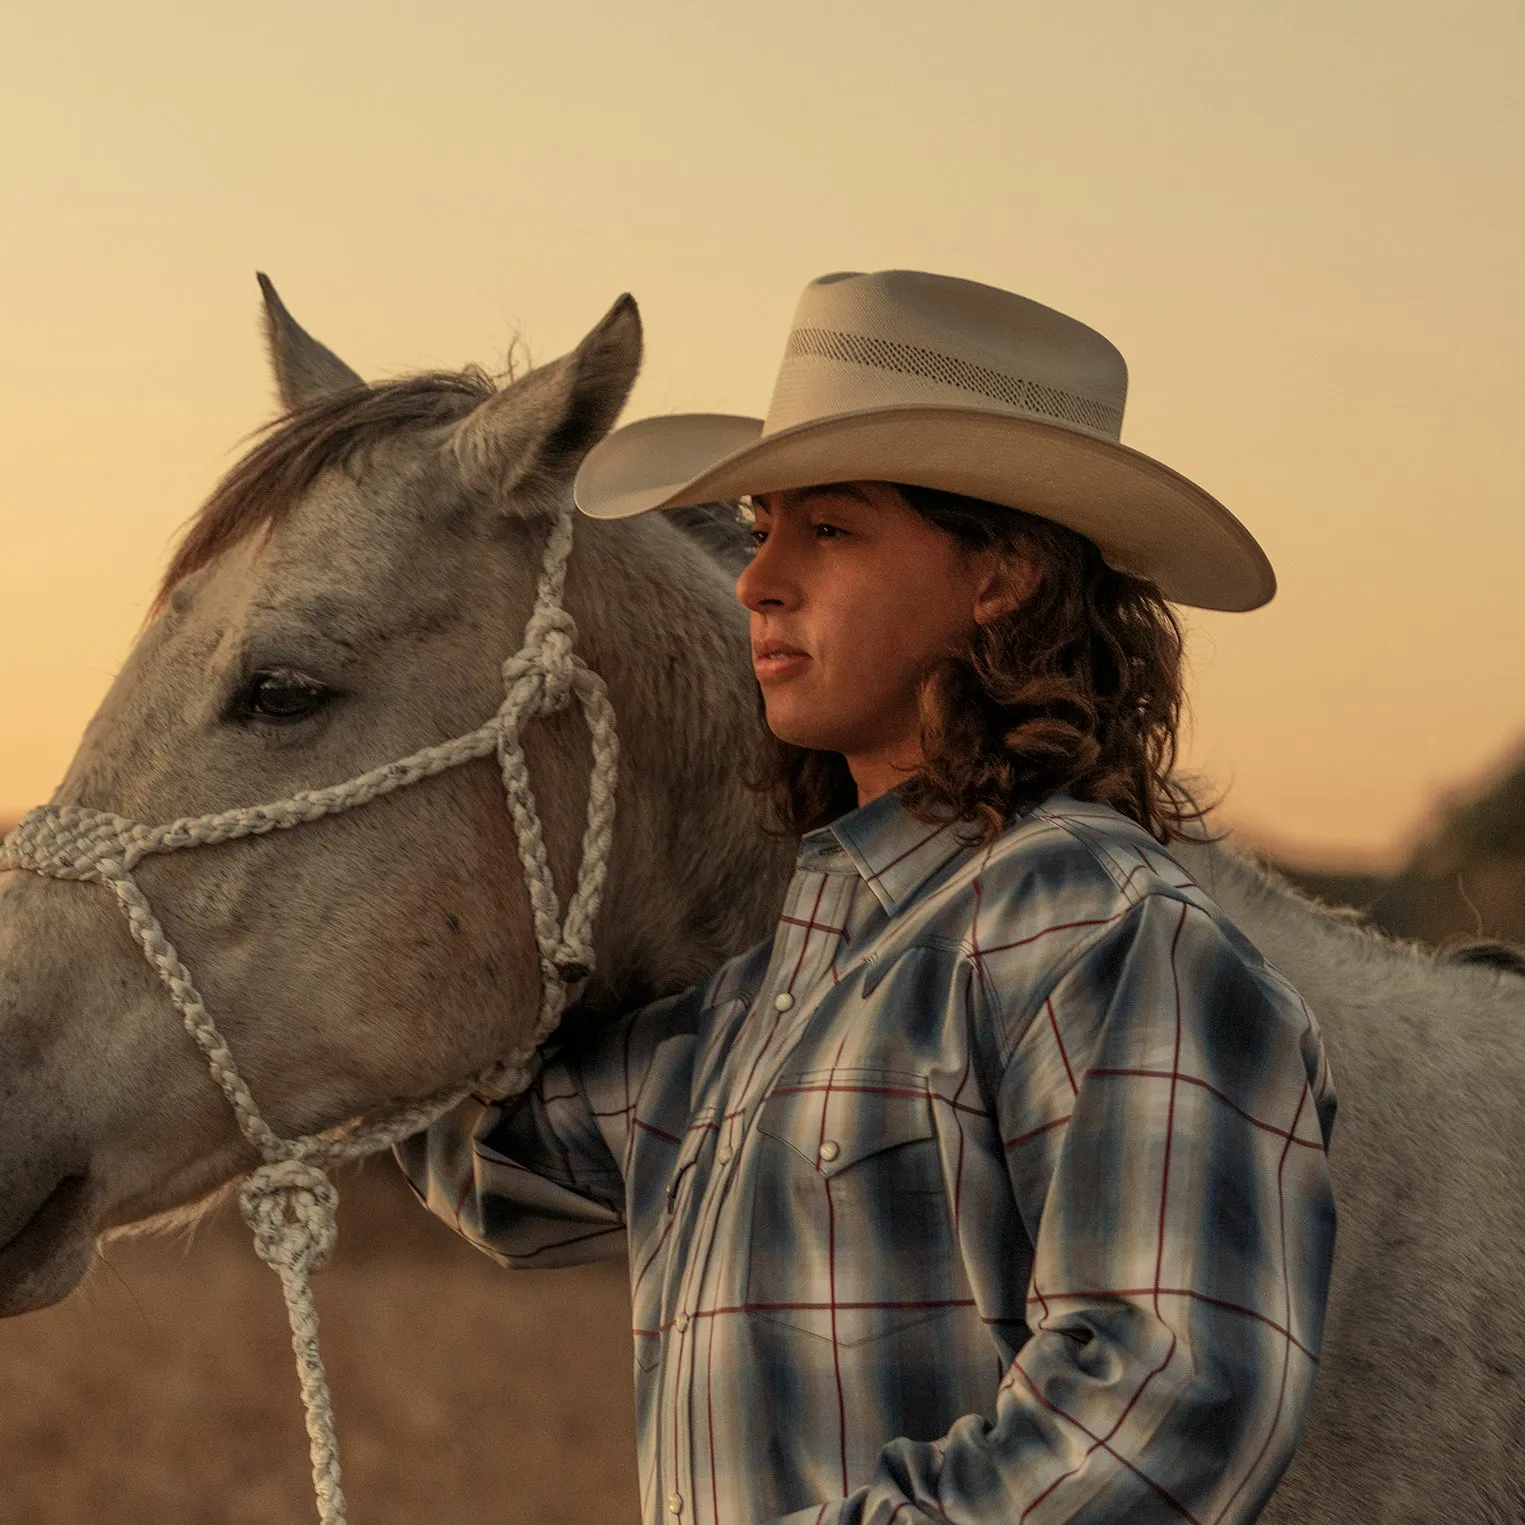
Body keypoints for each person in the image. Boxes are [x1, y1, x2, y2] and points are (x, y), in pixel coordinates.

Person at [399, 270, 1336, 1525]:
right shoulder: (768, 997)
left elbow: (1168, 1400)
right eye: (761, 520)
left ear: (1000, 573)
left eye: (827, 529)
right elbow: (494, 1155)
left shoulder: (1105, 933)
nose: (757, 578)